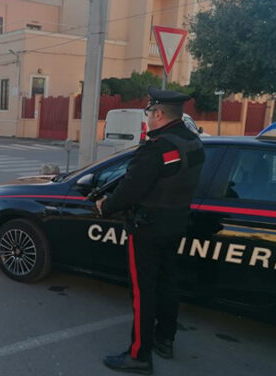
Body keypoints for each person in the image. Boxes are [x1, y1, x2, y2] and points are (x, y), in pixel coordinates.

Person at [96, 87, 205, 375]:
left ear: (158, 114)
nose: (147, 118)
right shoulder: (193, 143)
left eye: (148, 112)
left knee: (144, 292)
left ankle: (139, 355)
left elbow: (129, 191)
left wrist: (106, 206)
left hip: (148, 228)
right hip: (176, 224)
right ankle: (165, 340)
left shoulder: (156, 149)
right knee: (168, 283)